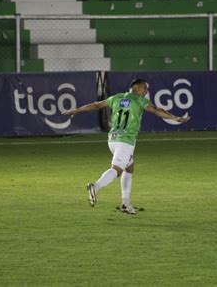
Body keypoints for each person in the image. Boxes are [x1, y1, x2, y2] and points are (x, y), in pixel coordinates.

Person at [62, 78, 190, 214]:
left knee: (129, 167)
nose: (147, 91)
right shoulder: (140, 101)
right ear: (137, 88)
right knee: (117, 169)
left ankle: (125, 203)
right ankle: (95, 187)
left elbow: (96, 105)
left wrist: (77, 110)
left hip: (113, 139)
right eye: (145, 88)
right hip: (125, 141)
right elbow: (156, 110)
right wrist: (175, 118)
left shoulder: (116, 98)